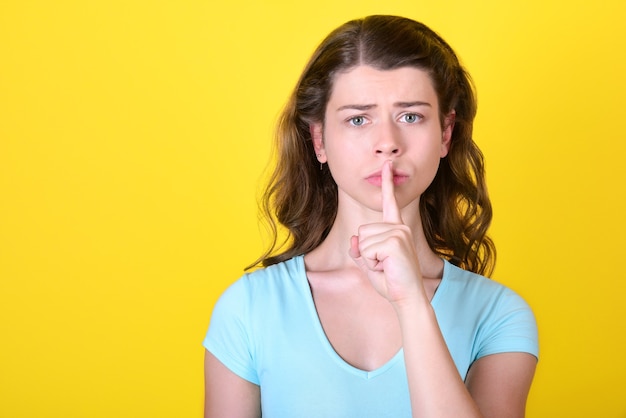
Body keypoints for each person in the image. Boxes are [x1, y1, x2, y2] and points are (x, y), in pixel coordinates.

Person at [203, 15, 538, 418]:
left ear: (446, 134)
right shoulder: (248, 308)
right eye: (358, 119)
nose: (386, 143)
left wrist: (411, 303)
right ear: (319, 139)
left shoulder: (499, 315)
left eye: (410, 116)